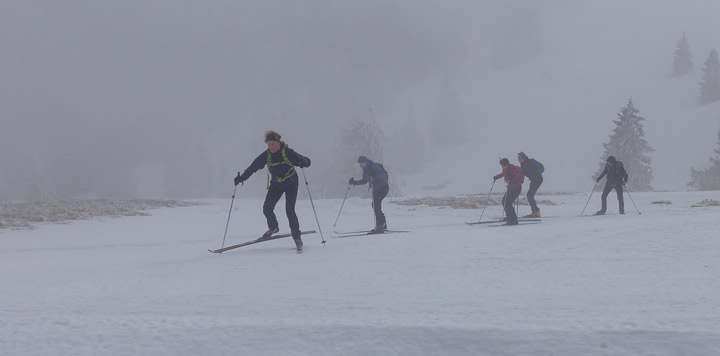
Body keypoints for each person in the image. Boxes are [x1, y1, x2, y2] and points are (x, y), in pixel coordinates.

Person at [233, 131, 311, 252]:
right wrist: (242, 178)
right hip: (277, 184)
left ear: (279, 143)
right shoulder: (266, 155)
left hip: (291, 183)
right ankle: (273, 227)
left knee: (290, 210)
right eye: (269, 144)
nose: (271, 147)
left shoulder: (288, 152)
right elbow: (253, 167)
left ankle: (297, 238)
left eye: (273, 144)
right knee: (267, 208)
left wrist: (304, 162)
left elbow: (305, 160)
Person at [349, 156, 389, 233]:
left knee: (376, 205)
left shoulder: (374, 166)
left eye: (362, 164)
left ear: (366, 162)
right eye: (359, 164)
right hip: (376, 189)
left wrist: (374, 176)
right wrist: (354, 182)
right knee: (375, 205)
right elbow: (365, 181)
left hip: (383, 188)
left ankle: (380, 225)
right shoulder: (366, 170)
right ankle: (382, 224)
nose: (361, 166)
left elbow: (382, 177)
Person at [493, 158, 524, 225]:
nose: (502, 167)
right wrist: (497, 177)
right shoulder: (506, 169)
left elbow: (516, 180)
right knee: (504, 202)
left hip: (516, 189)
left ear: (507, 164)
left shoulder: (512, 170)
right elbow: (503, 174)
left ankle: (514, 220)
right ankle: (509, 217)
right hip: (510, 189)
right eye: (502, 165)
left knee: (508, 204)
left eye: (503, 165)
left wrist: (511, 179)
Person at [517, 152, 544, 218]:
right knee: (530, 195)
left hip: (537, 179)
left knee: (530, 195)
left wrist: (535, 174)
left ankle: (536, 212)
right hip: (534, 180)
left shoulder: (530, 162)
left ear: (524, 158)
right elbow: (523, 173)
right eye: (518, 159)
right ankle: (535, 212)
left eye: (520, 158)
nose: (519, 160)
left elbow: (540, 168)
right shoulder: (523, 165)